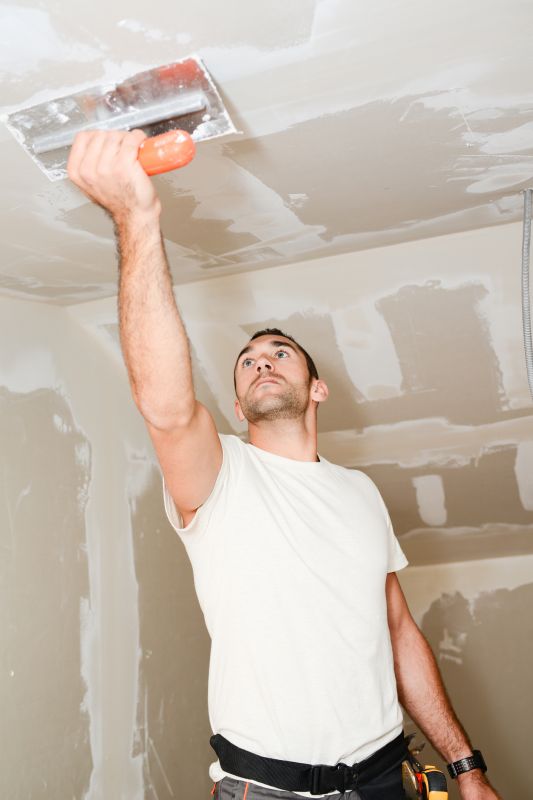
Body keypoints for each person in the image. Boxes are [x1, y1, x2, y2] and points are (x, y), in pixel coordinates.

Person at [68, 129, 502, 800]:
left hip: (388, 778)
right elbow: (166, 407)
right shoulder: (220, 477)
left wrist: (464, 769)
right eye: (247, 362)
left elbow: (395, 629)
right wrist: (137, 216)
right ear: (239, 404)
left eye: (278, 352)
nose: (261, 361)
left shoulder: (358, 492)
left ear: (317, 388)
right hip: (265, 791)